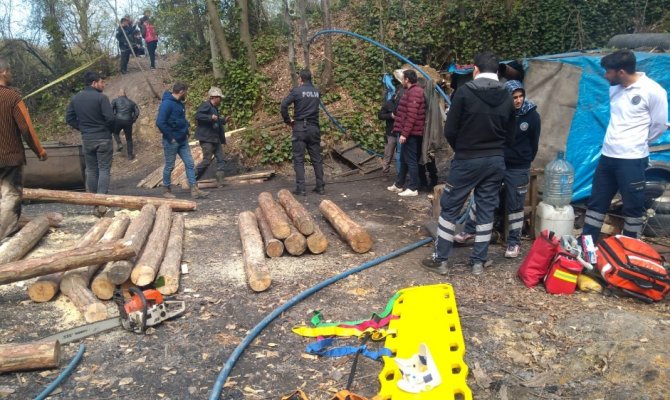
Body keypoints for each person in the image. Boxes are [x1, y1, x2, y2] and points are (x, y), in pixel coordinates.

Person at [422, 51, 515, 276]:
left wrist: (462, 148)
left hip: (467, 160)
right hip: (495, 161)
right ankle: (478, 262)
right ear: (497, 71)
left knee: (450, 207)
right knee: (485, 210)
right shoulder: (507, 96)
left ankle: (441, 259)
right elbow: (511, 135)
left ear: (475, 69)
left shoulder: (464, 93)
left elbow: (450, 130)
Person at [582, 50, 668, 242]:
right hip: (607, 156)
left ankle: (630, 248)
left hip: (632, 159)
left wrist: (640, 141)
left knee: (633, 207)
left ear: (621, 71)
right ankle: (586, 245)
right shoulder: (615, 88)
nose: (605, 76)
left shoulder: (653, 91)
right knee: (597, 203)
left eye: (608, 72)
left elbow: (660, 125)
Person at [454, 80, 542, 258]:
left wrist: (524, 160)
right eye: (514, 97)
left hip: (518, 167)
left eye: (520, 96)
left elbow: (534, 144)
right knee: (483, 196)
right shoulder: (502, 112)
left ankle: (514, 243)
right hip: (497, 162)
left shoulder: (532, 116)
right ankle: (468, 230)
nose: (518, 100)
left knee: (516, 204)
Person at [0, 58, 48, 240]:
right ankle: (5, 237)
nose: (11, 74)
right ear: (3, 72)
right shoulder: (12, 97)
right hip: (9, 156)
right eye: (10, 71)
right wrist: (40, 151)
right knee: (10, 195)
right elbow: (26, 128)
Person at [66, 71, 115, 216]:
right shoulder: (101, 98)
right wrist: (107, 130)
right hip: (103, 138)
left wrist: (82, 128)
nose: (103, 85)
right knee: (104, 169)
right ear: (94, 83)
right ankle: (102, 202)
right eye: (102, 82)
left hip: (87, 138)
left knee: (92, 170)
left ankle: (94, 202)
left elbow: (69, 118)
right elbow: (110, 118)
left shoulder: (76, 98)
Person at [156, 82, 208, 199]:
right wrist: (170, 137)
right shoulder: (167, 104)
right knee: (170, 165)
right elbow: (160, 122)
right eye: (186, 91)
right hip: (171, 141)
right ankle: (166, 189)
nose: (186, 94)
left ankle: (194, 189)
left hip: (183, 139)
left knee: (190, 163)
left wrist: (187, 130)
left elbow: (181, 119)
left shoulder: (179, 104)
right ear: (181, 91)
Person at [280, 69, 325, 196]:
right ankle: (320, 187)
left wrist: (288, 120)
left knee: (299, 159)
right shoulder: (316, 92)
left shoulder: (297, 91)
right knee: (316, 158)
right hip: (314, 128)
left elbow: (283, 105)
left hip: (300, 128)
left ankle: (301, 188)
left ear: (301, 79)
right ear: (311, 78)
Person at [386, 69, 426, 197]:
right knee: (403, 159)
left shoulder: (415, 92)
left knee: (411, 160)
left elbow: (412, 115)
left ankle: (413, 187)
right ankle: (399, 184)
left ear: (407, 79)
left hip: (412, 133)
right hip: (409, 131)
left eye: (403, 78)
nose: (402, 81)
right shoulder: (411, 91)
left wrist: (404, 134)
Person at [195, 87, 227, 184]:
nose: (220, 100)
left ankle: (220, 181)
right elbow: (198, 116)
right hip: (207, 138)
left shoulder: (214, 108)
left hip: (215, 138)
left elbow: (215, 120)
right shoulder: (206, 105)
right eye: (219, 98)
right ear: (214, 97)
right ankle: (191, 178)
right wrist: (210, 117)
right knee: (207, 161)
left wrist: (223, 120)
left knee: (221, 159)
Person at [111, 88, 140, 160]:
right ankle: (130, 155)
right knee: (129, 139)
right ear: (125, 94)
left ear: (119, 94)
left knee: (115, 132)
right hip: (128, 121)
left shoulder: (115, 101)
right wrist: (133, 120)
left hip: (118, 120)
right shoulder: (131, 102)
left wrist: (113, 117)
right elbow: (137, 112)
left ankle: (119, 143)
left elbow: (110, 109)